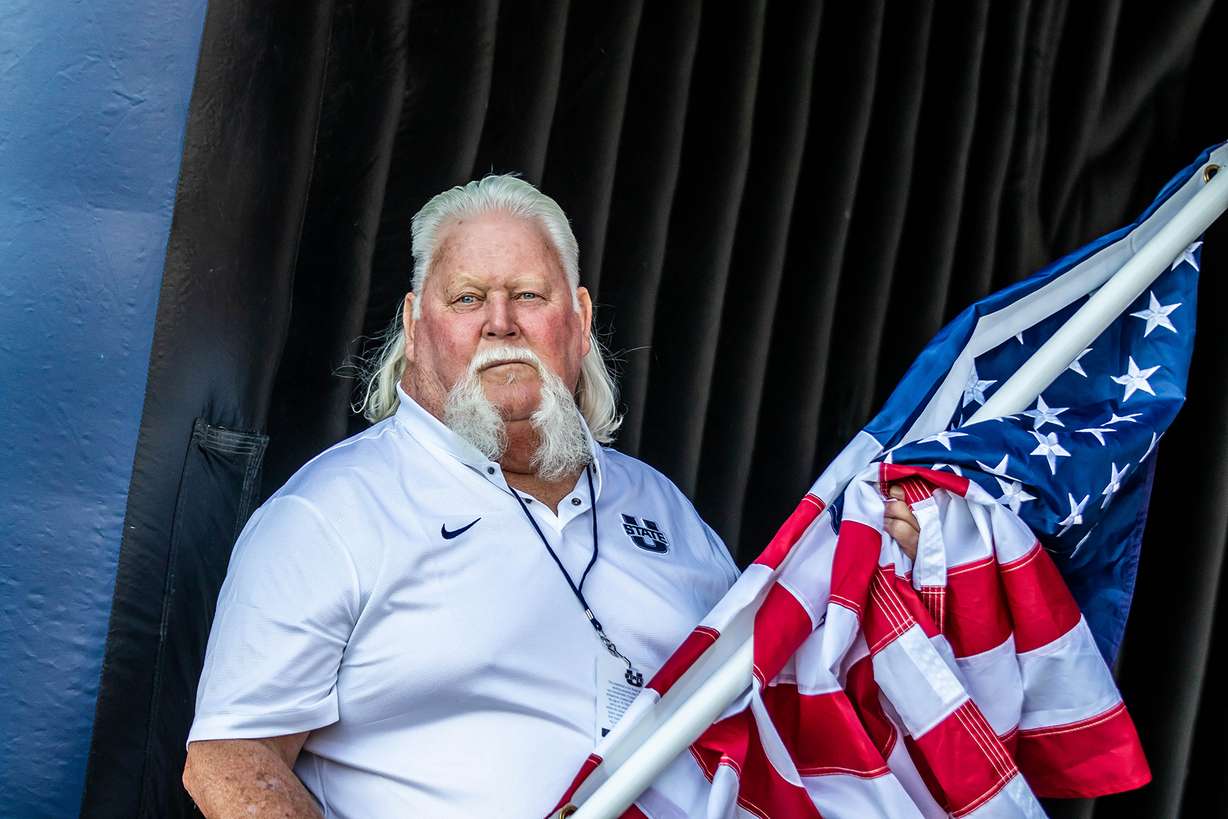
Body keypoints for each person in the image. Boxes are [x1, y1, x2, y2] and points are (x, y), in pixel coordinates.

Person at [181, 175, 920, 818]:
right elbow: (229, 759)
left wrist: (893, 564)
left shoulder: (663, 509)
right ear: (414, 325)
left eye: (528, 294)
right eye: (467, 296)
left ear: (580, 319)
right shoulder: (330, 514)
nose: (500, 321)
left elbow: (774, 694)